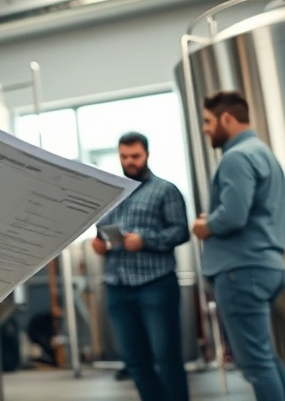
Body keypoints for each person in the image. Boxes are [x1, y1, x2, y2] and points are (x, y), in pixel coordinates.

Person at [191, 91, 285, 401]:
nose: (205, 129)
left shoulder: (236, 157)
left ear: (227, 118)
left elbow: (234, 216)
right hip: (267, 265)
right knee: (266, 359)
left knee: (255, 364)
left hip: (241, 270)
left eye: (208, 121)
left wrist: (203, 226)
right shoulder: (263, 152)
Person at [91, 132, 190, 401]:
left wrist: (145, 241)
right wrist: (100, 244)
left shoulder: (165, 190)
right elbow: (102, 232)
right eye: (124, 157)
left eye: (135, 156)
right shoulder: (111, 193)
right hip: (117, 286)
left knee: (166, 355)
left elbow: (181, 232)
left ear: (146, 154)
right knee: (134, 359)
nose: (130, 162)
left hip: (155, 285)